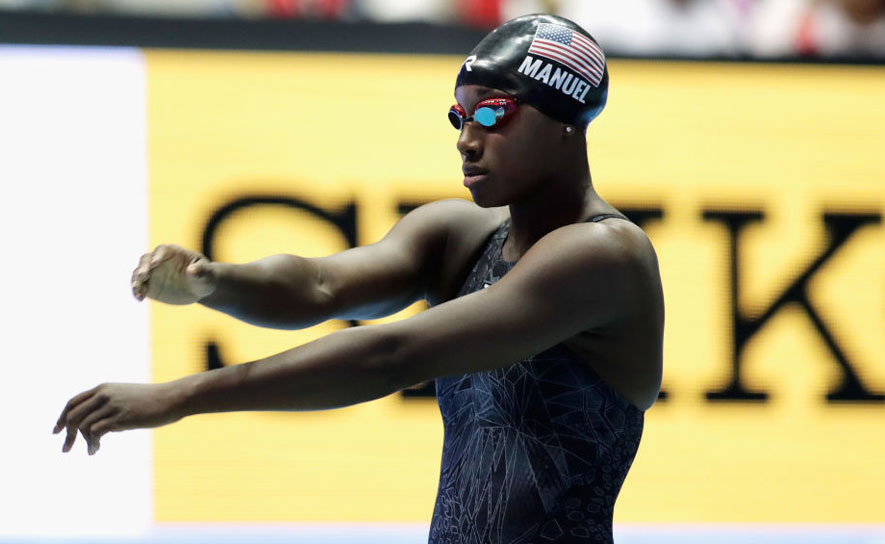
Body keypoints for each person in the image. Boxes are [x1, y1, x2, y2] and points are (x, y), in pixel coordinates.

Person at [54, 13, 664, 544]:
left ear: (564, 119)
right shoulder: (458, 236)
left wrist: (178, 397)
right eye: (458, 115)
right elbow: (319, 285)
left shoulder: (606, 255)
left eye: (491, 112)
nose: (466, 139)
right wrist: (213, 281)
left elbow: (391, 355)